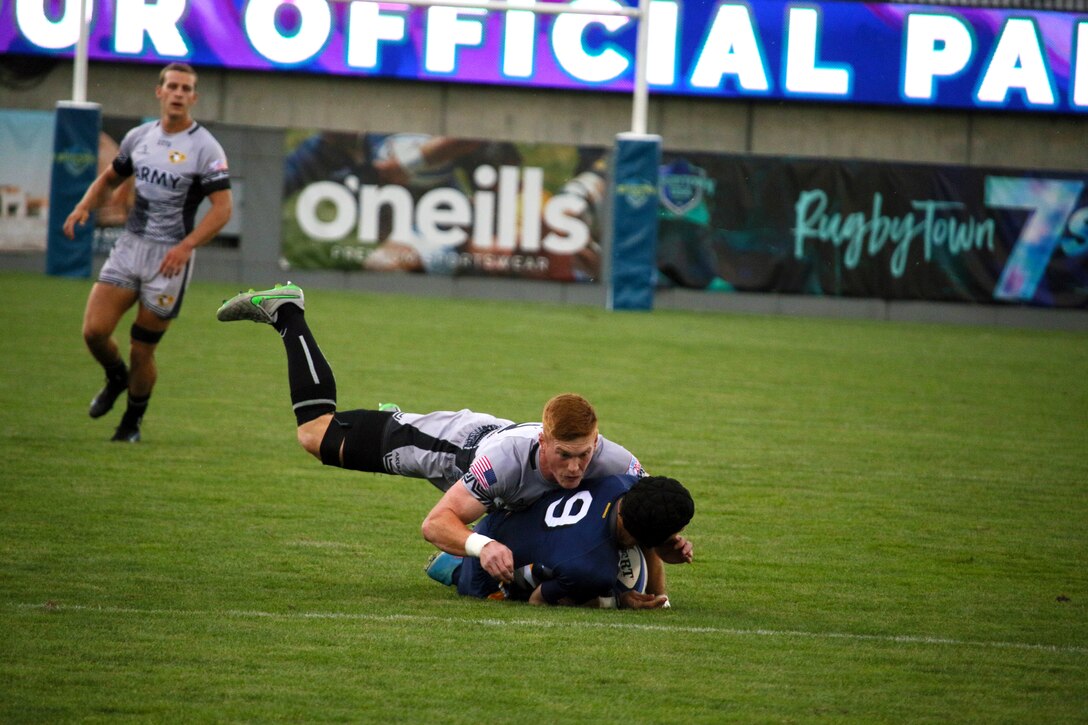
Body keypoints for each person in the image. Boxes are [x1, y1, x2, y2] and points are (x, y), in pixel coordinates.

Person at [215, 283, 674, 587]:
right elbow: (435, 524)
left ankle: (457, 571)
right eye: (565, 455)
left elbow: (647, 504)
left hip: (499, 482)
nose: (577, 467)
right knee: (316, 436)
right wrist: (482, 545)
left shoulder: (613, 460)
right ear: (543, 443)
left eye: (584, 455)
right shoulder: (506, 461)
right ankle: (287, 313)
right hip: (447, 446)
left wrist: (667, 537)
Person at [64, 62, 232, 442]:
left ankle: (131, 424)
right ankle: (115, 376)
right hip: (129, 248)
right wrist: (82, 207)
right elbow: (110, 179)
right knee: (94, 332)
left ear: (193, 97)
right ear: (159, 92)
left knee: (142, 350)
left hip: (169, 261)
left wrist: (187, 246)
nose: (178, 93)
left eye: (185, 88)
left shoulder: (205, 147)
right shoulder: (139, 137)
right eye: (171, 86)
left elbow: (223, 209)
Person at [428, 474, 695, 610]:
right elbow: (537, 601)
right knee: (540, 576)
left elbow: (642, 528)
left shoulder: (622, 482)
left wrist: (660, 594)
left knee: (558, 557)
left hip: (501, 522)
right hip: (487, 574)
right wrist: (618, 601)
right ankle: (457, 569)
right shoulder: (593, 567)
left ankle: (459, 561)